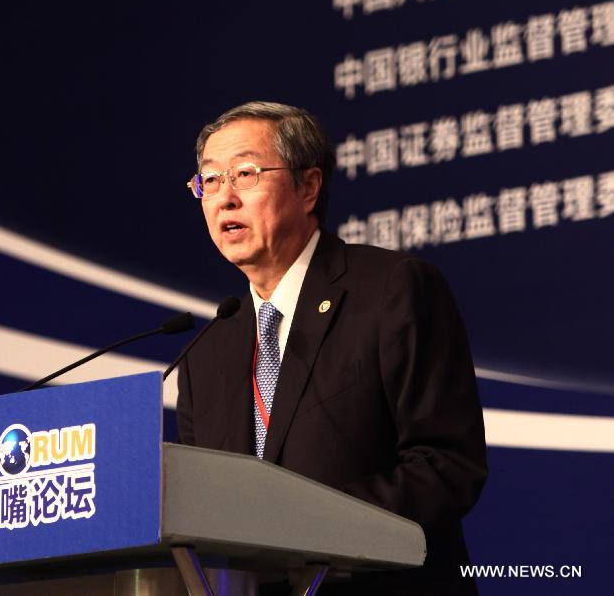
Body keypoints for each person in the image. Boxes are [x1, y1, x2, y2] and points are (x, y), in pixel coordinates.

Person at [176, 101, 488, 595]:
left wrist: (306, 525)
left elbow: (445, 465)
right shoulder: (207, 351)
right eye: (209, 181)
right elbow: (195, 513)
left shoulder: (392, 290)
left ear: (309, 187)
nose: (224, 199)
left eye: (245, 174)